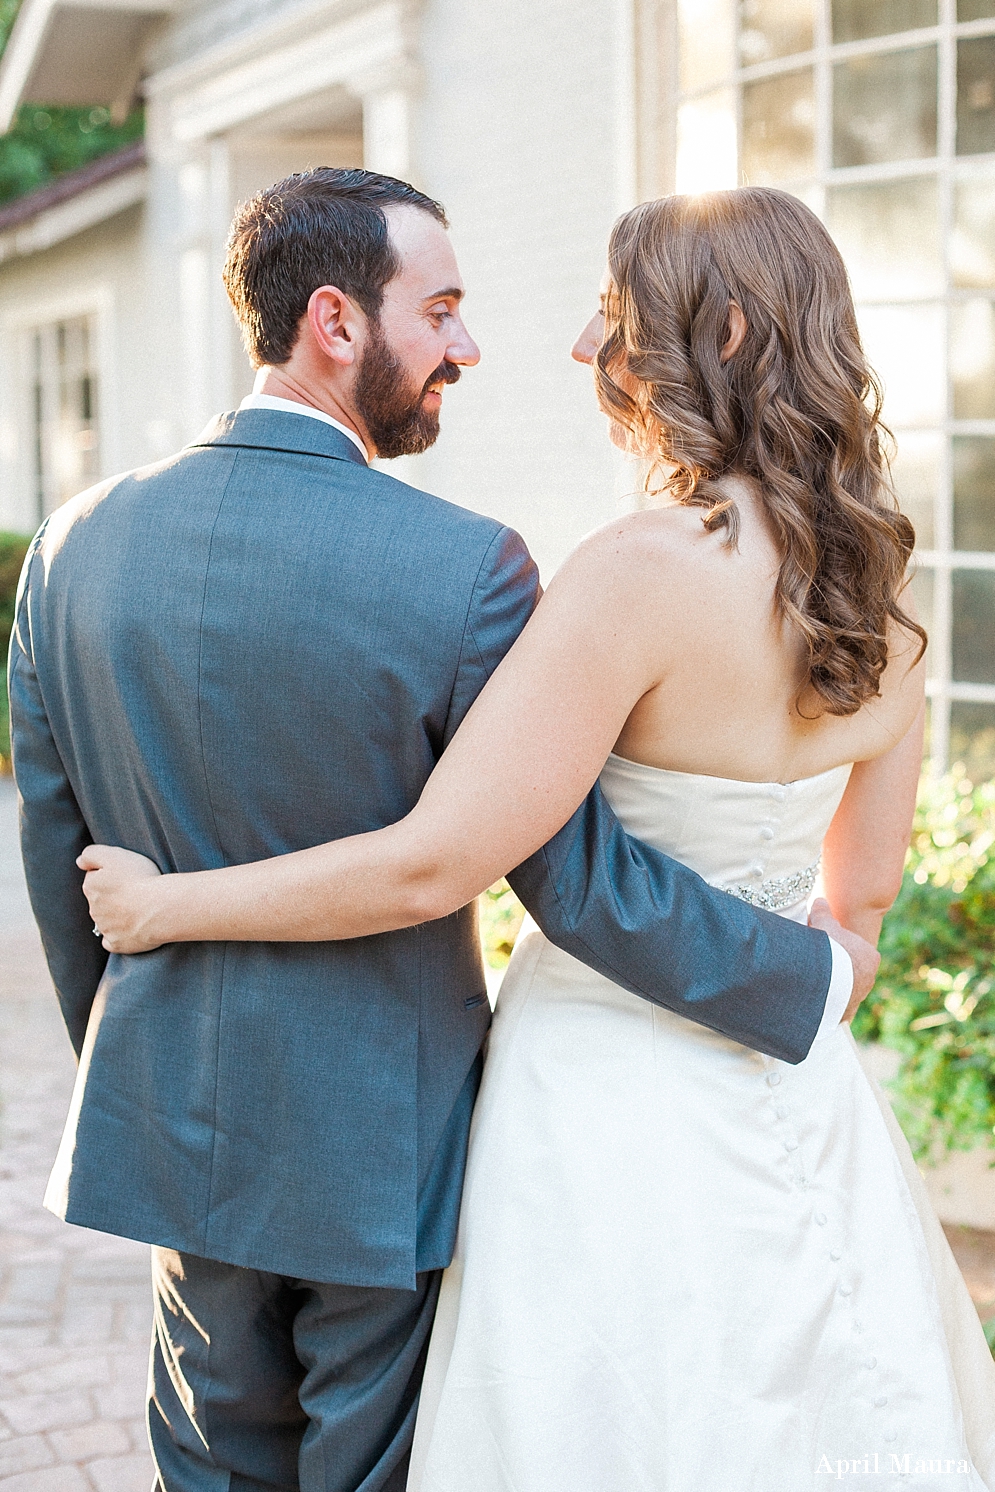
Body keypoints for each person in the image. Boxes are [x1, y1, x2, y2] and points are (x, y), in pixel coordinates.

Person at [79, 188, 995, 1491]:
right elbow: (864, 901)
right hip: (800, 1088)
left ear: (718, 334)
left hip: (601, 1092)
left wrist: (173, 907)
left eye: (614, 315)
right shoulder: (889, 588)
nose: (579, 344)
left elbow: (432, 860)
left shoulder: (635, 574)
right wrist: (824, 979)